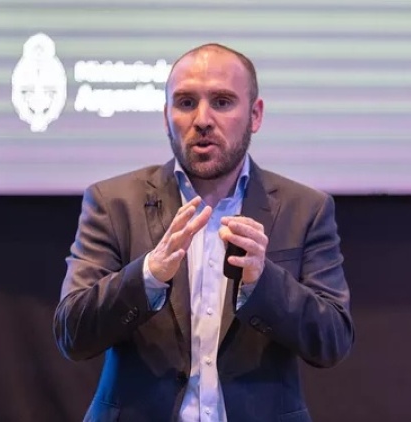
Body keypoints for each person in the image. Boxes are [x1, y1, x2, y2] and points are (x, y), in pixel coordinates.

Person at [53, 43, 354, 422]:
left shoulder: (305, 209)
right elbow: (73, 334)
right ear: (166, 117)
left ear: (255, 115)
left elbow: (332, 341)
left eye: (222, 102)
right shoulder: (113, 203)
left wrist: (263, 282)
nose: (202, 119)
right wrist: (148, 276)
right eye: (185, 103)